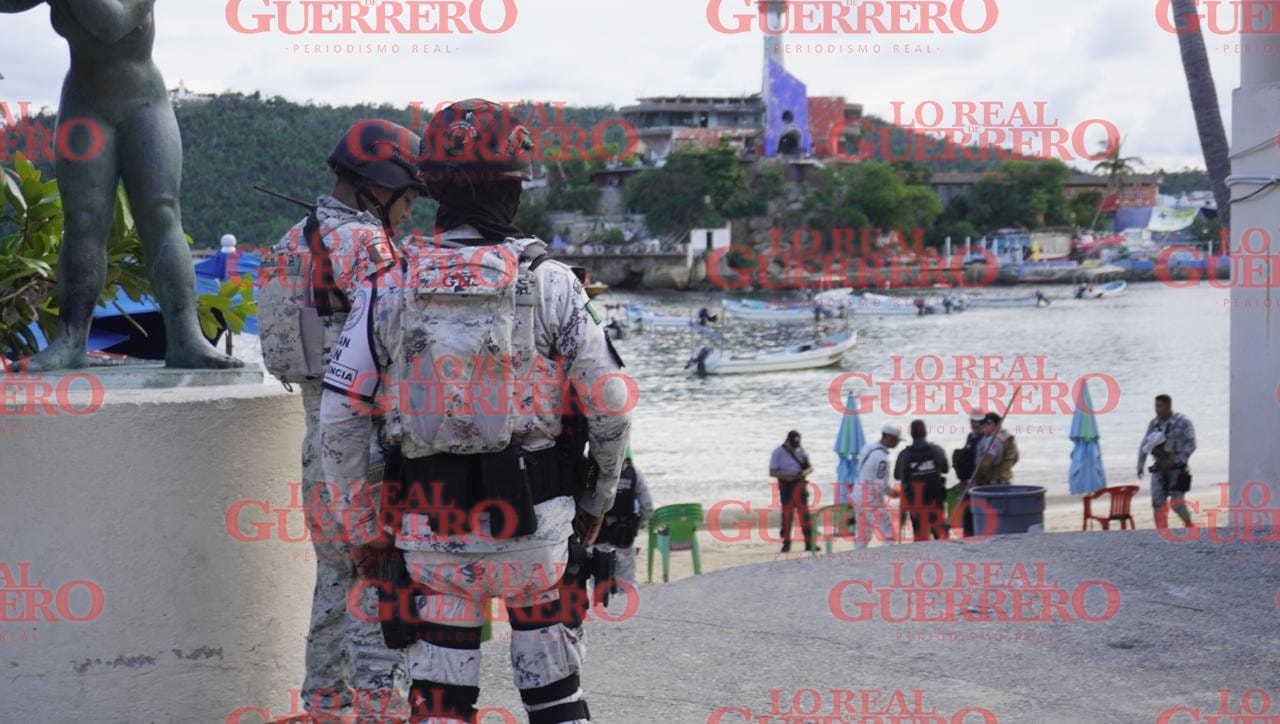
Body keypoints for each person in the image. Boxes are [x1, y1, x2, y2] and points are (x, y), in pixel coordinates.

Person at [320, 98, 630, 724]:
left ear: (433, 186)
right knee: (556, 700)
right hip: (536, 539)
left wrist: (363, 535)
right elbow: (612, 407)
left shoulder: (388, 281)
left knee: (439, 705)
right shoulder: (551, 282)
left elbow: (340, 421)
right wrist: (596, 506)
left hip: (431, 541)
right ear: (513, 188)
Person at [262, 120, 425, 721]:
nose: (409, 210)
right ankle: (384, 711)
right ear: (379, 185)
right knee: (381, 585)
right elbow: (399, 351)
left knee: (334, 581)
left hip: (315, 439)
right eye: (407, 195)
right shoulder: (368, 247)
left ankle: (323, 707)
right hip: (368, 443)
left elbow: (281, 355)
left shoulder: (286, 243)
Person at [0, 0, 239, 370]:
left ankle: (186, 338)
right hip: (84, 102)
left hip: (144, 104)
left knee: (161, 213)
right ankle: (70, 341)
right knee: (82, 220)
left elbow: (111, 24)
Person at [591, 448, 654, 593]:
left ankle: (601, 611)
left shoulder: (592, 472)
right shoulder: (633, 473)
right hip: (623, 533)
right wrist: (638, 525)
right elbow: (647, 506)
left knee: (598, 581)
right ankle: (628, 610)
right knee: (626, 582)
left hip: (597, 534)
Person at [1138, 394, 1198, 529]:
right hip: (1159, 468)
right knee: (1158, 503)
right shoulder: (1154, 424)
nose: (1157, 410)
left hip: (1178, 469)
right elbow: (1144, 445)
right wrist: (1140, 465)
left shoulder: (1182, 422)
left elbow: (1192, 444)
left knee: (1177, 503)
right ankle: (1161, 532)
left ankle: (1188, 524)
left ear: (1168, 406)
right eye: (1155, 406)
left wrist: (1177, 460)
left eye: (1160, 406)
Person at [894, 420, 950, 542]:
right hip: (935, 499)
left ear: (911, 434)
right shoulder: (937, 450)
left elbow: (897, 476)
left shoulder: (904, 454)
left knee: (920, 538)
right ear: (925, 432)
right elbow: (946, 469)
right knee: (941, 535)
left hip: (916, 502)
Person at [848, 425, 902, 549]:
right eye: (896, 439)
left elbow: (862, 471)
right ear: (888, 438)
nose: (897, 442)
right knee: (887, 532)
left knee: (862, 532)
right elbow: (880, 485)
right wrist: (892, 493)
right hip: (870, 498)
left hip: (858, 494)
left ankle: (858, 557)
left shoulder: (867, 448)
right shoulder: (882, 458)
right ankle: (888, 560)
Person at [769, 430, 817, 553]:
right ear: (787, 441)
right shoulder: (777, 453)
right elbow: (772, 472)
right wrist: (788, 475)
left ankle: (809, 543)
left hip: (800, 484)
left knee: (805, 515)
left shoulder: (801, 451)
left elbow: (810, 467)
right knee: (787, 516)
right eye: (793, 444)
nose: (795, 446)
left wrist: (803, 473)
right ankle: (786, 544)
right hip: (786, 486)